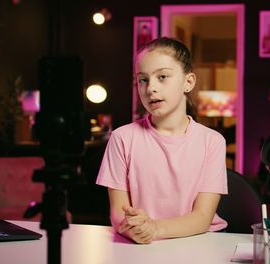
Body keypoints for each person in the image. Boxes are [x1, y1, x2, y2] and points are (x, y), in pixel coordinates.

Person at [96, 37, 228, 244]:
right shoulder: (122, 138)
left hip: (200, 243)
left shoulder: (212, 142)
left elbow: (203, 218)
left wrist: (155, 228)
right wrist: (135, 229)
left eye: (163, 77)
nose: (150, 89)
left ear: (188, 82)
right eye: (143, 79)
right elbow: (118, 213)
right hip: (141, 245)